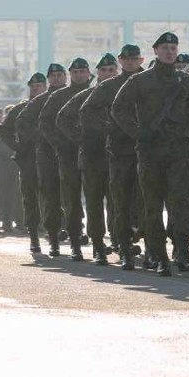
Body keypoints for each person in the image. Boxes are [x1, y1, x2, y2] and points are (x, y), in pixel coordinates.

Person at [111, 32, 189, 276]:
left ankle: (183, 253)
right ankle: (159, 256)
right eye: (165, 47)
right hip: (151, 153)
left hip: (179, 153)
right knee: (151, 206)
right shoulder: (140, 81)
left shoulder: (185, 81)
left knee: (180, 204)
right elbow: (119, 108)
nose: (169, 51)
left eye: (173, 48)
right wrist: (138, 133)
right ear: (155, 51)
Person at [80, 45, 145, 270]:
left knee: (145, 202)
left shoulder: (150, 81)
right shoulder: (108, 88)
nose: (108, 73)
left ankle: (138, 242)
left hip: (146, 151)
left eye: (134, 58)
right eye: (104, 69)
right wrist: (109, 129)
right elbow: (83, 113)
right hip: (111, 153)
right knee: (109, 203)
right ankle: (103, 245)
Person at [58, 53, 119, 264]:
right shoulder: (87, 95)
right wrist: (82, 140)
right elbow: (62, 118)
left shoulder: (125, 93)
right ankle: (97, 245)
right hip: (92, 158)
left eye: (112, 70)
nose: (108, 74)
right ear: (98, 74)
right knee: (93, 204)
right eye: (104, 70)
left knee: (118, 203)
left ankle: (119, 241)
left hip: (117, 158)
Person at [40, 58, 93, 260]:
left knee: (95, 198)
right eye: (75, 72)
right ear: (71, 74)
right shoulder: (59, 96)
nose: (79, 75)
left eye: (83, 71)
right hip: (66, 155)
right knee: (69, 198)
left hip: (92, 153)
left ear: (89, 73)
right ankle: (64, 240)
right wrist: (58, 143)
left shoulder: (96, 92)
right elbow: (45, 122)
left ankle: (96, 239)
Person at [16, 63, 68, 256]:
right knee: (47, 198)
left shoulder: (75, 96)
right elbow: (20, 122)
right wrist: (38, 139)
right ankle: (47, 238)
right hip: (44, 157)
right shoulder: (39, 101)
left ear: (65, 76)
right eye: (52, 75)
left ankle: (73, 234)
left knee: (71, 198)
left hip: (71, 154)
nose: (56, 78)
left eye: (59, 75)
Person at [0, 73, 48, 252]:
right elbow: (4, 131)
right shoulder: (20, 109)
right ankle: (34, 236)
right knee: (29, 198)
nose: (36, 89)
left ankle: (54, 229)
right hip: (28, 159)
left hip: (51, 159)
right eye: (33, 86)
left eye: (39, 86)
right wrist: (18, 147)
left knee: (53, 196)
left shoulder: (51, 105)